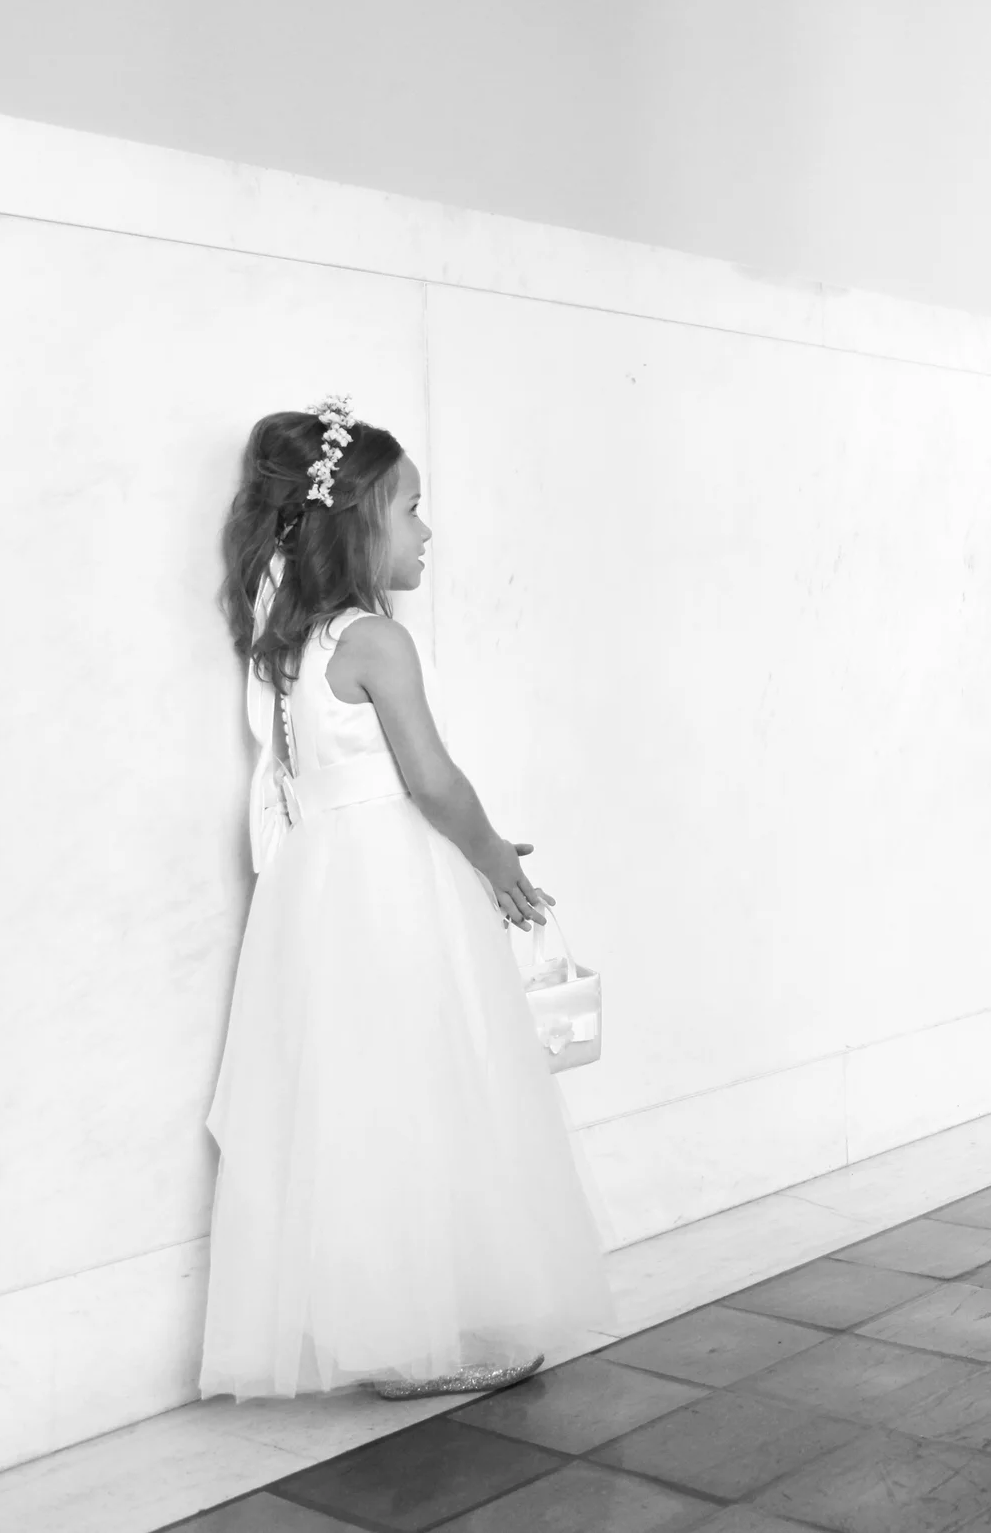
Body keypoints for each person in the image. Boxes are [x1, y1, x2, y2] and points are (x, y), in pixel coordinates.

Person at [200, 397, 611, 1398]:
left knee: (360, 1097)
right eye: (412, 508)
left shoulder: (289, 647)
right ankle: (418, 1338)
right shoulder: (375, 641)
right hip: (389, 883)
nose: (427, 531)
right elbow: (431, 781)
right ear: (356, 522)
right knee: (429, 1079)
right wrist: (495, 862)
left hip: (322, 888)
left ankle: (386, 1330)